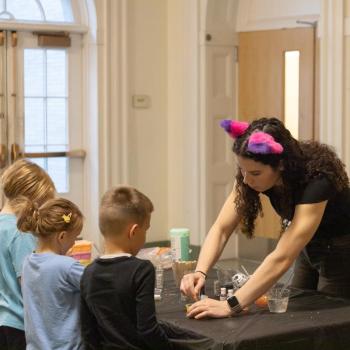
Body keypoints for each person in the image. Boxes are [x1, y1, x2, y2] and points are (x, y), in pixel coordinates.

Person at [181, 117, 350, 319]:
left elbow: (282, 257)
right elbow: (221, 228)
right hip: (308, 246)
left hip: (342, 250)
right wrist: (200, 272)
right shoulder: (251, 174)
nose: (246, 179)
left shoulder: (318, 180)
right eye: (242, 170)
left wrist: (231, 305)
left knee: (329, 322)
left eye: (255, 173)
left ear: (281, 165)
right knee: (295, 314)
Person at [80, 186, 174, 350]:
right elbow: (148, 330)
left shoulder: (88, 273)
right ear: (134, 232)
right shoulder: (142, 270)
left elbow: (88, 332)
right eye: (146, 230)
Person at [0, 159, 56, 349]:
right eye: (40, 204)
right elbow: (31, 284)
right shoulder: (20, 233)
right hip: (18, 325)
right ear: (29, 199)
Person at [17, 197, 84, 349]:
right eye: (74, 238)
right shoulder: (68, 266)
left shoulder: (27, 262)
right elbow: (98, 286)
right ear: (62, 236)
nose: (74, 243)